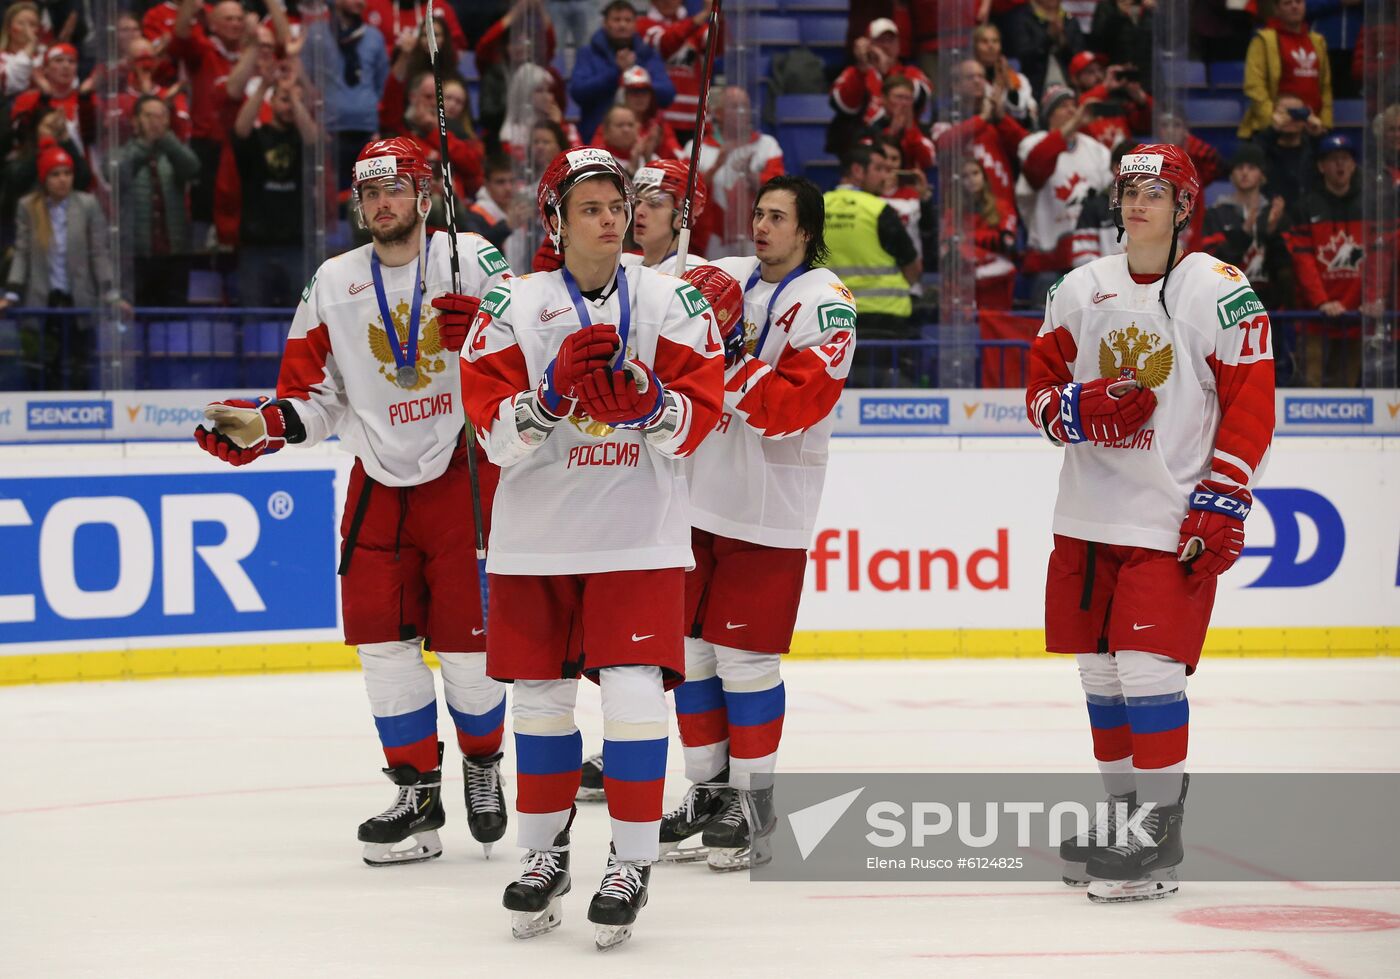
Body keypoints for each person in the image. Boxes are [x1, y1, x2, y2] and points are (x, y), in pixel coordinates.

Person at [191, 137, 514, 868]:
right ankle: (416, 793)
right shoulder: (333, 282)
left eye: (394, 189)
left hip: (463, 473)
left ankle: (483, 763)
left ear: (423, 198)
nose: (381, 203)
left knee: (469, 647)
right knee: (383, 647)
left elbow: (521, 356)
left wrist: (486, 337)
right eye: (369, 194)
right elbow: (314, 397)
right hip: (375, 481)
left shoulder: (471, 258)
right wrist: (265, 425)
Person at [457, 147, 723, 948]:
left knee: (637, 694)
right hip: (536, 542)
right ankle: (544, 858)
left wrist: (651, 402)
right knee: (540, 702)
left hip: (638, 536)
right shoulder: (510, 303)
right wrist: (548, 397)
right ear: (556, 222)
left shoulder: (671, 298)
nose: (613, 220)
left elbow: (701, 421)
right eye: (593, 209)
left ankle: (632, 861)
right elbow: (491, 436)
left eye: (620, 206)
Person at [1025, 142, 1275, 903]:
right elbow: (1039, 387)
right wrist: (1071, 409)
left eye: (1156, 191)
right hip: (1088, 513)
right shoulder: (1080, 287)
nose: (1138, 202)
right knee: (1100, 675)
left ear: (1184, 205)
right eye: (1129, 189)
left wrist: (1224, 495)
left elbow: (1253, 404)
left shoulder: (1218, 290)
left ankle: (1160, 829)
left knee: (1148, 671)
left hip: (1168, 519)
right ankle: (1125, 815)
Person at [660, 175, 854, 870]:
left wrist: (723, 362)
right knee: (689, 652)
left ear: (806, 231)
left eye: (778, 218)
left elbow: (791, 406)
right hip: (697, 495)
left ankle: (754, 798)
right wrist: (664, 223)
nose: (762, 227)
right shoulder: (728, 276)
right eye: (759, 215)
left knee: (745, 659)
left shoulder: (827, 303)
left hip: (769, 506)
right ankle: (709, 788)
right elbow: (651, 284)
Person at [0, 143, 114, 390]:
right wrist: (11, 293)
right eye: (55, 174)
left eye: (67, 173)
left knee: (79, 368)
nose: (63, 180)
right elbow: (22, 253)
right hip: (43, 300)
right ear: (44, 178)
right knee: (41, 369)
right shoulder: (28, 207)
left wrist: (109, 291)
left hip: (78, 299)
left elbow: (98, 253)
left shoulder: (87, 204)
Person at [824, 143, 920, 385]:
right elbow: (913, 267)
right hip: (887, 321)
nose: (884, 176)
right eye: (878, 168)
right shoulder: (878, 209)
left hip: (832, 319)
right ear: (857, 170)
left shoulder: (815, 207)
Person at [1016, 84, 1113, 304]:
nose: (1072, 111)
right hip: (1048, 260)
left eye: (1074, 106)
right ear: (1049, 114)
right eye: (1063, 106)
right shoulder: (1032, 144)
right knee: (1048, 332)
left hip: (1091, 258)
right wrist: (1073, 125)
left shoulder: (1096, 150)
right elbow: (1036, 170)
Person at [231, 74, 318, 307]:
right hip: (256, 245)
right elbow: (240, 130)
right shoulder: (259, 137)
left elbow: (313, 140)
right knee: (252, 316)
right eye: (284, 99)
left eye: (296, 100)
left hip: (295, 244)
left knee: (303, 316)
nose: (290, 105)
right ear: (272, 102)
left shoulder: (302, 139)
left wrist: (293, 96)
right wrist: (263, 88)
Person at [1287, 132, 1364, 387]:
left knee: (1349, 388)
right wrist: (1323, 302)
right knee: (1312, 387)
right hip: (1315, 316)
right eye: (1333, 159)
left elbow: (1380, 258)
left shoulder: (1370, 205)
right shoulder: (1305, 206)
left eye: (1345, 159)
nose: (1340, 165)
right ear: (1321, 166)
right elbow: (1304, 263)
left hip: (1357, 314)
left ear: (1353, 165)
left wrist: (1369, 299)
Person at [115, 94, 201, 305]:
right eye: (149, 116)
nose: (156, 121)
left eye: (162, 115)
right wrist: (145, 144)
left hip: (174, 254)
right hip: (136, 257)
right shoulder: (123, 152)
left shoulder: (174, 152)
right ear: (135, 121)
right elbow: (117, 174)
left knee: (173, 323)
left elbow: (192, 168)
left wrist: (167, 141)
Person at [681, 86, 785, 259]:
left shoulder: (767, 145)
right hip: (709, 239)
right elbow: (685, 194)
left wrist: (751, 176)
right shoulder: (696, 148)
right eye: (735, 107)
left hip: (755, 235)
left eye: (745, 106)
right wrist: (716, 166)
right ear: (719, 113)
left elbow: (781, 192)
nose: (742, 112)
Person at [302, 0, 389, 191]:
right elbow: (304, 78)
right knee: (331, 200)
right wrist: (315, 120)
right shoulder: (317, 34)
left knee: (368, 195)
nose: (360, 2)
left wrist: (369, 108)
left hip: (366, 129)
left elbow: (381, 82)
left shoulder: (374, 37)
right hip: (329, 131)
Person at [1200, 142, 1294, 315]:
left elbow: (1286, 272)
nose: (1244, 172)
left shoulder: (1276, 213)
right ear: (1231, 174)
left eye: (1251, 167)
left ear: (1262, 175)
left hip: (1270, 311)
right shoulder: (1215, 214)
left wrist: (1272, 234)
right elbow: (1212, 265)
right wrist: (1243, 233)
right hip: (1227, 307)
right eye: (1239, 167)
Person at [570, 0, 675, 144]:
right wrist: (615, 72)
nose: (622, 25)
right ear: (605, 23)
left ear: (635, 24)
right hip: (594, 140)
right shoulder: (588, 53)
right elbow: (578, 92)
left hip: (642, 140)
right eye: (616, 20)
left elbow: (667, 94)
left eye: (627, 20)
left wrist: (635, 74)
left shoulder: (647, 54)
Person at [828, 18, 932, 155]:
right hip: (860, 148)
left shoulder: (911, 73)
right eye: (880, 40)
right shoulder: (854, 73)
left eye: (891, 40)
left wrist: (887, 71)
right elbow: (843, 106)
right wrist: (862, 71)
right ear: (868, 44)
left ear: (899, 45)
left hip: (903, 147)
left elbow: (920, 97)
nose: (886, 45)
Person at [1239, 0, 1333, 139]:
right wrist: (1273, 121)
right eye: (1287, 3)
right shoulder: (1264, 40)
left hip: (1311, 128)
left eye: (1298, 2)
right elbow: (1254, 86)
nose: (1294, 6)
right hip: (1276, 129)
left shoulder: (1317, 41)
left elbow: (1325, 87)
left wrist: (1324, 123)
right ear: (1276, 9)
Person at [637, 0, 714, 145]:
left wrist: (718, 16)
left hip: (695, 118)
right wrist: (703, 14)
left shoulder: (697, 27)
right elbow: (666, 43)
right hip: (662, 119)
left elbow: (718, 45)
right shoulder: (644, 25)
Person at [463, 152, 533, 274]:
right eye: (500, 182)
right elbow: (475, 251)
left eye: (512, 181)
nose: (508, 188)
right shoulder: (475, 215)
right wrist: (507, 226)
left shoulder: (523, 207)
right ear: (486, 183)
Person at [1004, 0, 1086, 99]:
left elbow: (1079, 60)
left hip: (1068, 85)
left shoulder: (1070, 20)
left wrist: (1063, 42)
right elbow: (1022, 57)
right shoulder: (1021, 18)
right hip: (1033, 87)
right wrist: (1048, 38)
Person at [1251, 93, 1323, 204]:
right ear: (1274, 115)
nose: (1290, 118)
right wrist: (1274, 130)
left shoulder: (1314, 148)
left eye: (1296, 113)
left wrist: (1317, 136)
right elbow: (1251, 157)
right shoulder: (1263, 146)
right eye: (1284, 113)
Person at [972, 22, 1037, 127]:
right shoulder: (969, 78)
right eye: (984, 41)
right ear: (975, 46)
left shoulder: (1018, 78)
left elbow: (1023, 115)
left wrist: (1009, 84)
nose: (991, 46)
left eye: (995, 41)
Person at [620, 66, 682, 163]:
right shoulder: (613, 124)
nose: (640, 98)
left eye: (644, 92)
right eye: (634, 92)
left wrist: (658, 148)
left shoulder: (659, 126)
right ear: (625, 96)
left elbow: (680, 158)